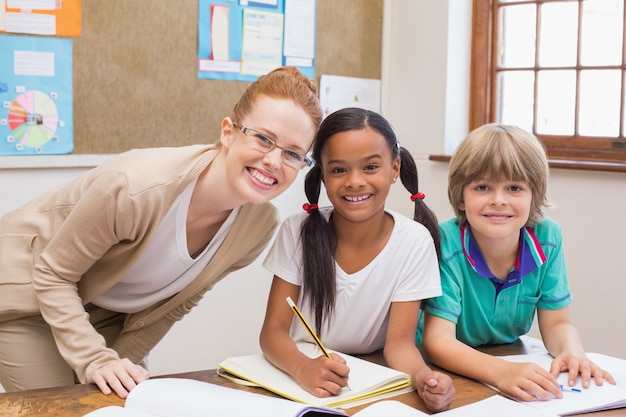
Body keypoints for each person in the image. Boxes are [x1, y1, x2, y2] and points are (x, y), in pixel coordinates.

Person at [0, 66, 322, 398]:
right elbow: (53, 274)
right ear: (228, 132)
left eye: (292, 154)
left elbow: (176, 302)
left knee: (125, 403)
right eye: (263, 138)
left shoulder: (258, 225)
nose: (273, 160)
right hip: (28, 295)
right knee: (65, 405)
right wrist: (95, 359)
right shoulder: (134, 189)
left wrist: (121, 360)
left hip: (110, 312)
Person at [259, 107, 455, 412]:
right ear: (322, 175)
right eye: (338, 170)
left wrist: (424, 377)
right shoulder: (296, 231)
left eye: (371, 167)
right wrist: (303, 368)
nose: (354, 181)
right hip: (300, 374)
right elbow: (272, 332)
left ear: (394, 169)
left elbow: (400, 344)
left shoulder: (414, 241)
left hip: (371, 377)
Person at [419, 123, 615, 402]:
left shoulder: (549, 238)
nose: (498, 200)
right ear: (461, 197)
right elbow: (438, 342)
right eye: (482, 187)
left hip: (501, 355)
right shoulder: (444, 241)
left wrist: (572, 350)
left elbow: (557, 323)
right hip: (439, 372)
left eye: (514, 187)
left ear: (534, 196)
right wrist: (501, 373)